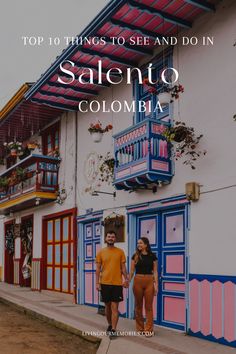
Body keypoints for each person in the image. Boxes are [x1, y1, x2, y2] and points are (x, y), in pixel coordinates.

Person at [96, 230, 129, 339]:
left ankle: (114, 329)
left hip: (117, 284)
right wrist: (97, 283)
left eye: (113, 237)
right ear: (106, 238)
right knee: (107, 307)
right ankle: (110, 324)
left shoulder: (120, 252)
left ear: (115, 239)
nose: (111, 238)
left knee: (115, 307)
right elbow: (98, 269)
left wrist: (126, 280)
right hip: (104, 283)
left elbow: (123, 268)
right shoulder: (101, 252)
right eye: (109, 236)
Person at [129, 237, 158, 337]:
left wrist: (156, 285)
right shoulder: (135, 256)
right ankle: (140, 327)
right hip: (138, 281)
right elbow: (132, 271)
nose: (139, 245)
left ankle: (149, 329)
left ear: (146, 245)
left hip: (149, 281)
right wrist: (127, 281)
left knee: (149, 307)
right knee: (138, 305)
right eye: (138, 243)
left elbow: (155, 271)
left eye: (141, 243)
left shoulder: (152, 256)